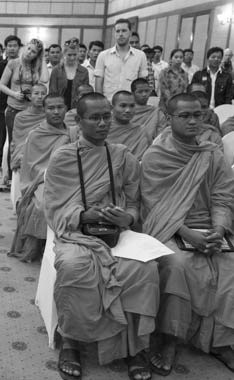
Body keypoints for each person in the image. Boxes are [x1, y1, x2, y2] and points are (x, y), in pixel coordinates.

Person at [44, 92, 158, 380]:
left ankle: (134, 347)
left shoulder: (122, 155)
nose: (103, 123)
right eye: (95, 118)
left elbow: (134, 200)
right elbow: (54, 206)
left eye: (106, 116)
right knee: (74, 267)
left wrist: (128, 217)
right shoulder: (63, 157)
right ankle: (71, 341)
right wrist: (84, 215)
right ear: (79, 122)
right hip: (75, 232)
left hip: (115, 232)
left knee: (144, 269)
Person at [141, 93, 234, 376]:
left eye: (198, 114)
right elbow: (153, 204)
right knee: (178, 264)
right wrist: (188, 234)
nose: (193, 121)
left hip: (210, 226)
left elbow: (223, 196)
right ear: (169, 120)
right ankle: (170, 339)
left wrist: (218, 229)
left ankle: (222, 342)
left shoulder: (211, 153)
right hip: (168, 227)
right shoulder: (156, 155)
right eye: (185, 116)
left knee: (228, 264)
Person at [9, 93, 73, 263]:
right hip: (41, 179)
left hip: (69, 179)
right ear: (44, 110)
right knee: (42, 204)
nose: (56, 111)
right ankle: (38, 246)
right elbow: (30, 165)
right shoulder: (36, 134)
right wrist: (46, 174)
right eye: (51, 108)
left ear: (66, 109)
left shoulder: (73, 132)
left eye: (60, 107)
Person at [0, 38, 49, 190]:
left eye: (34, 52)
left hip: (31, 111)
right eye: (29, 49)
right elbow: (1, 85)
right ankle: (9, 176)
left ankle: (26, 176)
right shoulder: (13, 63)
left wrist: (43, 59)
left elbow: (45, 79)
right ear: (24, 47)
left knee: (29, 144)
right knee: (14, 143)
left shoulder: (37, 65)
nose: (29, 53)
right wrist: (14, 94)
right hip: (14, 108)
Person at [95, 18, 148, 101]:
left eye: (124, 31)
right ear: (114, 33)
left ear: (130, 33)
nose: (120, 34)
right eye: (118, 31)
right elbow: (98, 83)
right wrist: (100, 103)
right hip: (109, 103)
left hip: (131, 104)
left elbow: (142, 83)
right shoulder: (103, 55)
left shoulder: (140, 56)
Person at [0, 35, 21, 170]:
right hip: (4, 103)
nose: (12, 48)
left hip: (20, 104)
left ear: (19, 48)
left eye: (15, 46)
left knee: (16, 139)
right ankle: (0, 163)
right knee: (3, 136)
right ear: (5, 48)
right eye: (9, 46)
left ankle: (12, 167)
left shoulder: (24, 65)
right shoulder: (1, 65)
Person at [10, 84, 47, 177]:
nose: (40, 97)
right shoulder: (21, 117)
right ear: (30, 97)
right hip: (24, 151)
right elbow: (18, 141)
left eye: (43, 94)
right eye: (36, 93)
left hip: (44, 152)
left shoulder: (49, 116)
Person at [107, 90, 153, 160]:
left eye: (132, 106)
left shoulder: (141, 130)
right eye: (123, 106)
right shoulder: (104, 130)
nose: (128, 110)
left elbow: (149, 156)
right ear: (112, 108)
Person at [49, 43, 89, 109]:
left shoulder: (84, 71)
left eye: (75, 55)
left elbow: (85, 92)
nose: (72, 58)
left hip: (77, 106)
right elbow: (52, 91)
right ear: (64, 54)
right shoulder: (56, 70)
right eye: (69, 55)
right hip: (59, 106)